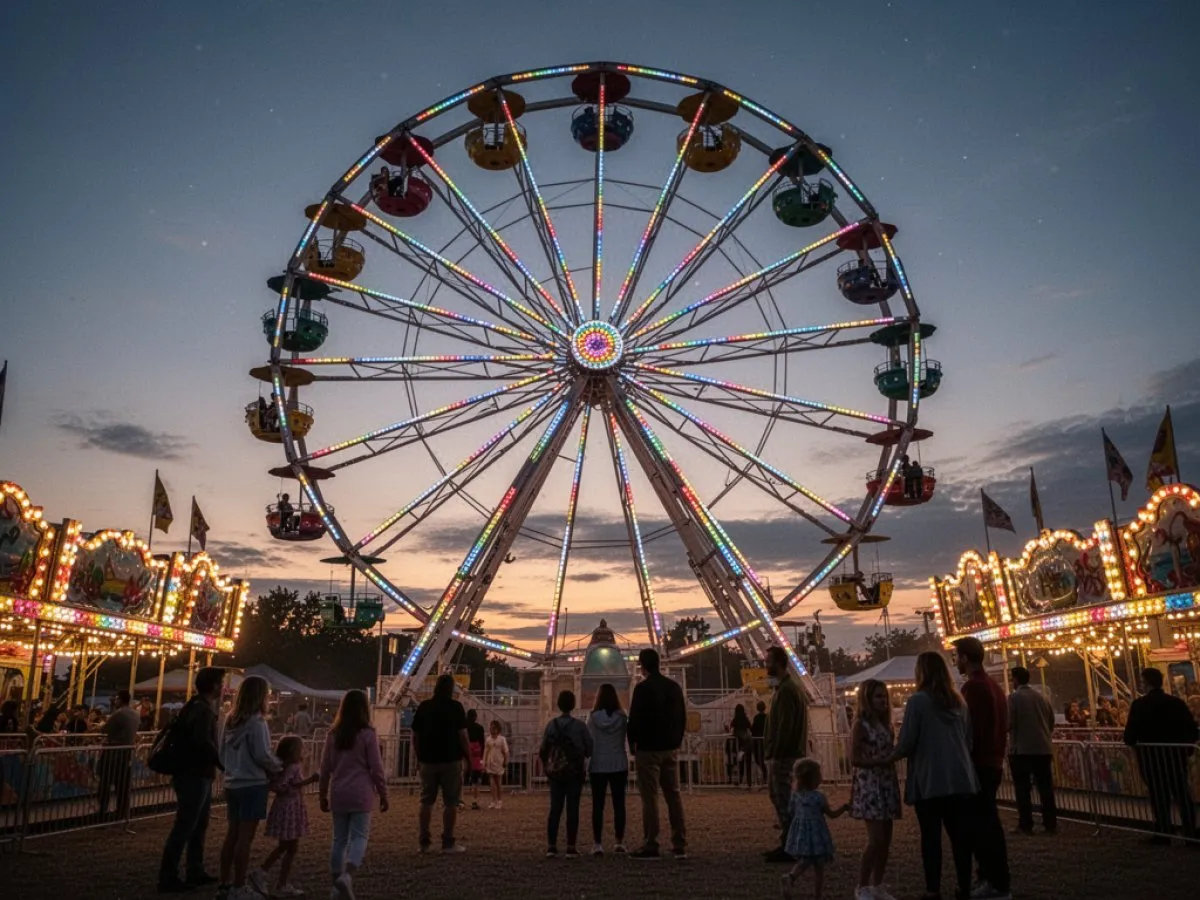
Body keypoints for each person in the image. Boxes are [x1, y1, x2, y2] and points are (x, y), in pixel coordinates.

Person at [890, 651, 978, 900]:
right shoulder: (959, 703)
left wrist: (885, 757)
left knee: (931, 838)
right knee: (960, 837)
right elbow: (968, 739)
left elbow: (907, 742)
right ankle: (964, 886)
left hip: (930, 779)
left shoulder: (918, 702)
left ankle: (933, 889)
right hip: (960, 777)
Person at [953, 637, 1011, 899]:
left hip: (979, 763)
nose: (955, 661)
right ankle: (993, 878)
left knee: (981, 825)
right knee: (988, 821)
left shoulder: (973, 688)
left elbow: (970, 730)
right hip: (993, 760)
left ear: (965, 658)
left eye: (957, 656)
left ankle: (994, 880)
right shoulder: (994, 687)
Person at [158, 666, 224, 893]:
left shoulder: (194, 706)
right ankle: (170, 875)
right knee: (186, 824)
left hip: (192, 772)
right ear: (214, 685)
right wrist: (221, 763)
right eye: (220, 683)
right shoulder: (203, 711)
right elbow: (203, 742)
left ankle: (194, 868)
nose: (222, 688)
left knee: (196, 823)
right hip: (195, 773)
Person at [319, 689, 389, 899]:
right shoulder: (368, 734)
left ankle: (336, 884)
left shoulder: (333, 735)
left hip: (339, 791)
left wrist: (322, 794)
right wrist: (383, 793)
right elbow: (376, 768)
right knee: (359, 836)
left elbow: (325, 767)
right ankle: (347, 875)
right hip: (361, 791)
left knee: (339, 839)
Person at [219, 675, 282, 900]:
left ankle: (224, 884)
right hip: (253, 783)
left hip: (232, 782)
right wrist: (278, 766)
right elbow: (262, 754)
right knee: (245, 838)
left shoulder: (229, 720)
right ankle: (239, 886)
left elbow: (222, 752)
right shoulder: (257, 722)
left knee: (232, 834)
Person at [1123, 667, 1199, 844]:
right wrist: (1185, 749)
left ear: (1145, 683)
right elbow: (1192, 729)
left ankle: (1163, 831)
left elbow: (1129, 736)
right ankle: (1190, 831)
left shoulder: (1139, 705)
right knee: (1182, 795)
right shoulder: (1176, 703)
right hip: (1175, 757)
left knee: (1159, 796)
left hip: (1152, 759)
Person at [626, 648, 687, 860]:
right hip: (670, 748)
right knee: (674, 796)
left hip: (648, 749)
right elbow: (682, 716)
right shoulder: (674, 687)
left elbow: (634, 719)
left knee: (650, 798)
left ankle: (651, 843)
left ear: (642, 666)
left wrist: (632, 742)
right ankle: (679, 843)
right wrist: (677, 740)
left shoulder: (642, 689)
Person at [849, 679, 902, 900]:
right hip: (871, 784)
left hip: (886, 782)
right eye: (878, 696)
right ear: (868, 700)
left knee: (886, 840)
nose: (883, 701)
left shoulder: (887, 724)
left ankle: (878, 884)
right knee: (876, 839)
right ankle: (862, 885)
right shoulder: (861, 725)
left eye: (884, 696)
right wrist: (880, 761)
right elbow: (854, 758)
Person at [249, 736, 317, 898]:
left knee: (286, 846)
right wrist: (312, 779)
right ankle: (273, 878)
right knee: (290, 847)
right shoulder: (293, 767)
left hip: (283, 806)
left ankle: (273, 878)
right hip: (291, 807)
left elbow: (279, 784)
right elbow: (293, 783)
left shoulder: (279, 767)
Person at [411, 673, 470, 853]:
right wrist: (468, 757)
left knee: (426, 801)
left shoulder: (424, 707)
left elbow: (415, 736)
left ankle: (424, 842)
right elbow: (463, 736)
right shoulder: (456, 707)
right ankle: (448, 842)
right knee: (450, 803)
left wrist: (418, 757)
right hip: (450, 760)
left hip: (427, 760)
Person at [763, 645, 809, 863]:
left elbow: (785, 726)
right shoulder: (789, 689)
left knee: (783, 798)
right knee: (782, 797)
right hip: (789, 753)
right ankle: (789, 841)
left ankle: (790, 845)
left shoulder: (786, 691)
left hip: (784, 755)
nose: (766, 664)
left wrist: (776, 752)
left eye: (769, 661)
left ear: (779, 663)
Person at [779, 758, 848, 900]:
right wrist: (844, 808)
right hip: (817, 835)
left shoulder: (796, 797)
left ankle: (791, 877)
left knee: (804, 861)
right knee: (819, 868)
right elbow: (832, 814)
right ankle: (817, 896)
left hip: (802, 835)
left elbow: (791, 812)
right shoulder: (818, 797)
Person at [539, 689, 592, 857]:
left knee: (555, 808)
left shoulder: (551, 725)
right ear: (573, 705)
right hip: (574, 771)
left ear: (558, 704)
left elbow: (543, 749)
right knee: (572, 808)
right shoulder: (580, 726)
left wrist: (547, 766)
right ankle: (571, 846)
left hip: (555, 771)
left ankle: (551, 846)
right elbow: (589, 748)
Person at [1007, 666, 1057, 835]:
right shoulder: (1042, 697)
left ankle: (1025, 823)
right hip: (1043, 748)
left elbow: (1009, 722)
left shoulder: (1014, 698)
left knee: (1023, 788)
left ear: (1015, 679)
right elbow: (1050, 722)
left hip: (1022, 749)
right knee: (1045, 788)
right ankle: (1050, 823)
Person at [587, 682, 629, 855]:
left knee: (598, 805)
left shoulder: (593, 717)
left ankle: (597, 843)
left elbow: (589, 739)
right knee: (619, 804)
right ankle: (619, 841)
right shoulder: (622, 717)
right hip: (618, 762)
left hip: (598, 763)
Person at [97, 689, 140, 820]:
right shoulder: (135, 714)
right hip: (126, 752)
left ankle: (102, 811)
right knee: (122, 785)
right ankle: (121, 812)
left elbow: (105, 729)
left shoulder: (119, 713)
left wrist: (101, 725)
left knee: (105, 783)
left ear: (120, 699)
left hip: (113, 753)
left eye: (116, 699)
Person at [483, 720, 508, 809]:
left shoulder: (502, 739)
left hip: (499, 762)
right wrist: (484, 762)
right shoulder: (488, 739)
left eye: (494, 728)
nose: (492, 730)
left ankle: (499, 800)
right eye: (491, 728)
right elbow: (485, 752)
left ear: (498, 729)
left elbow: (506, 752)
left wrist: (505, 761)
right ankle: (494, 800)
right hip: (490, 762)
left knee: (498, 782)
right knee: (492, 782)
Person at [465, 708, 486, 810]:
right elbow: (482, 742)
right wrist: (482, 755)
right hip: (476, 754)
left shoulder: (464, 727)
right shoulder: (479, 728)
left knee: (460, 778)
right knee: (475, 780)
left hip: (465, 753)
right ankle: (474, 801)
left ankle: (459, 800)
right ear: (475, 717)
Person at [729, 703, 753, 788]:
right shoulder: (745, 719)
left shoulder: (735, 720)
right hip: (747, 744)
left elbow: (731, 730)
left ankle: (739, 780)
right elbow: (751, 728)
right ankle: (749, 782)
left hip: (738, 744)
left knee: (740, 763)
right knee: (748, 763)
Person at [750, 700, 768, 786]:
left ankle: (764, 774)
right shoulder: (767, 717)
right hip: (765, 741)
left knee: (758, 759)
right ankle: (766, 775)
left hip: (758, 741)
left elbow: (753, 729)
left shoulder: (756, 718)